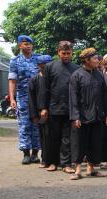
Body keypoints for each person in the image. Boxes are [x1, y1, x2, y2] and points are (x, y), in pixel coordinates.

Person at [69, 48, 107, 180]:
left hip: (97, 115)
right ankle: (77, 170)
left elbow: (105, 95)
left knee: (95, 142)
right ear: (86, 60)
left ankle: (91, 168)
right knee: (79, 143)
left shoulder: (99, 74)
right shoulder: (76, 75)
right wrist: (75, 116)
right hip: (82, 117)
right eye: (94, 58)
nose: (97, 60)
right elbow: (73, 98)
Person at [43, 41, 78, 173]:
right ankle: (52, 162)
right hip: (53, 107)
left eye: (68, 53)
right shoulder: (49, 67)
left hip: (69, 109)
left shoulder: (76, 68)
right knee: (53, 136)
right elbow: (45, 89)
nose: (66, 56)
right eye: (63, 53)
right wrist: (44, 108)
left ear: (72, 53)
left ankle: (66, 164)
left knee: (67, 138)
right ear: (58, 52)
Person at [8, 35, 41, 164]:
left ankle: (35, 153)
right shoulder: (15, 61)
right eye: (25, 44)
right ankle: (26, 153)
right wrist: (12, 98)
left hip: (37, 97)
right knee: (24, 125)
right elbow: (12, 80)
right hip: (22, 97)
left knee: (37, 124)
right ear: (20, 46)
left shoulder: (38, 59)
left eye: (30, 44)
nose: (28, 46)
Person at [28, 55, 52, 168]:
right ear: (38, 66)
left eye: (47, 65)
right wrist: (34, 115)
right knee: (44, 136)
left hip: (55, 111)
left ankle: (60, 160)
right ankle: (45, 159)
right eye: (42, 66)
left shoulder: (54, 78)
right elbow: (31, 99)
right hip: (40, 113)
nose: (45, 68)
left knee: (58, 136)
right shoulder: (34, 80)